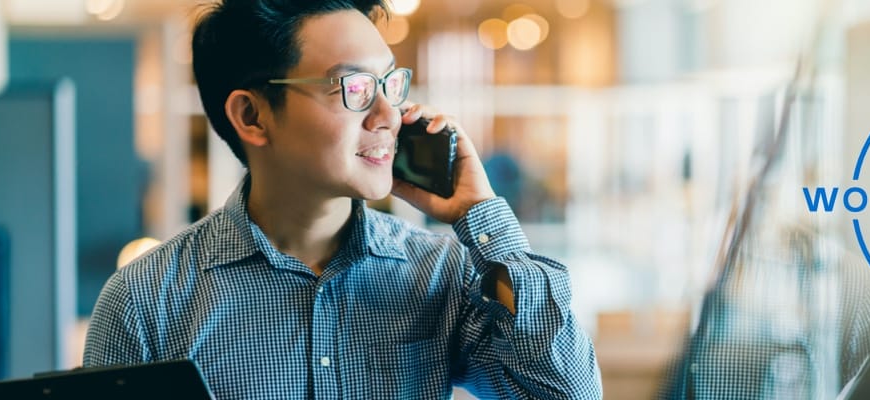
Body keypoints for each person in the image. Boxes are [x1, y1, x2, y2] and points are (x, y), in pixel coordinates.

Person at [82, 1, 602, 399]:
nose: (388, 115)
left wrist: (481, 217)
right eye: (353, 87)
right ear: (252, 116)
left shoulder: (441, 273)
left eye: (389, 84)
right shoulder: (148, 299)